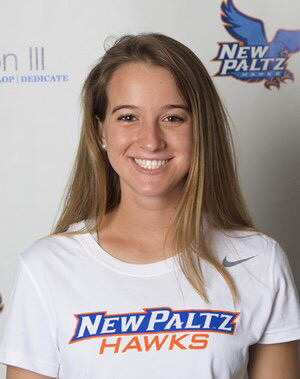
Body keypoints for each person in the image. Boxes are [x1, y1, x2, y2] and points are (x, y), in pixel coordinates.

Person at [0, 32, 299, 379]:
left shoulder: (259, 261)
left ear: (201, 127)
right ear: (100, 131)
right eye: (128, 117)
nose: (151, 141)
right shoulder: (46, 268)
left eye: (173, 118)